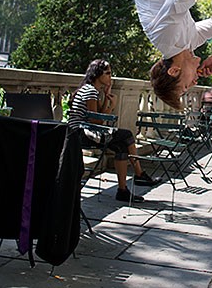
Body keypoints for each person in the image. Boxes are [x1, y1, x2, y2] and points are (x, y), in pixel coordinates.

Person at [68, 59, 159, 203]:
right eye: (108, 73)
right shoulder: (90, 92)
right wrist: (112, 105)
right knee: (127, 135)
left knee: (121, 147)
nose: (110, 77)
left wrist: (107, 96)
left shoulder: (92, 90)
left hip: (85, 132)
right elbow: (96, 121)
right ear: (98, 74)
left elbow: (98, 116)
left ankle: (123, 190)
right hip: (82, 134)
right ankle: (139, 174)